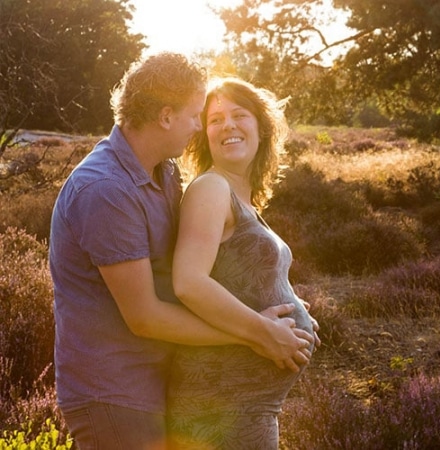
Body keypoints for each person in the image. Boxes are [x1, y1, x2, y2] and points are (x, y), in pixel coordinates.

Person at [49, 53, 314, 450]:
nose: (198, 129)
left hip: (159, 380)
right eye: (197, 116)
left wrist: (289, 314)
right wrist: (256, 334)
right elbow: (145, 317)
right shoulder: (106, 189)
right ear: (166, 116)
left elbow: (213, 262)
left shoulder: (164, 172)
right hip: (115, 393)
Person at [167, 77, 320, 450]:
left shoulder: (239, 196)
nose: (228, 125)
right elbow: (188, 282)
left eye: (239, 115)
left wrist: (296, 312)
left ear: (262, 127)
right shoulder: (211, 188)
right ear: (204, 135)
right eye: (215, 119)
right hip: (221, 408)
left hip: (243, 407)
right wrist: (265, 332)